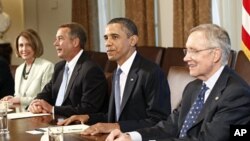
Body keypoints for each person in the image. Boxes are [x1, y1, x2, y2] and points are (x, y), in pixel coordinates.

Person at [106, 24, 250, 141]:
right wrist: (131, 136)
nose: (186, 58)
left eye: (193, 51)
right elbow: (171, 126)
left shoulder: (236, 93)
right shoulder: (193, 87)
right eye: (186, 51)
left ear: (215, 55)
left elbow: (207, 138)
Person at [57, 18, 171, 134]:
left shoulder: (151, 72)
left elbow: (159, 121)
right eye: (106, 38)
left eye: (115, 37)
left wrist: (116, 126)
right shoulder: (116, 72)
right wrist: (88, 118)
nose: (107, 43)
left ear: (132, 40)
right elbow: (115, 117)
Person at [28, 23, 108, 117]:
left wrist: (53, 109)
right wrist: (36, 103)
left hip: (76, 125)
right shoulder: (59, 67)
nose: (55, 43)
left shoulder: (91, 70)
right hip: (55, 121)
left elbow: (88, 108)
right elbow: (46, 93)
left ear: (75, 42)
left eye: (60, 38)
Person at [1, 29, 54, 107]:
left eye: (28, 45)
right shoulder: (19, 69)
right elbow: (18, 95)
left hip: (38, 114)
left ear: (35, 45)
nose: (24, 49)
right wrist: (11, 98)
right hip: (21, 114)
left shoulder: (47, 66)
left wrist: (19, 100)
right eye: (21, 45)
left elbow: (45, 99)